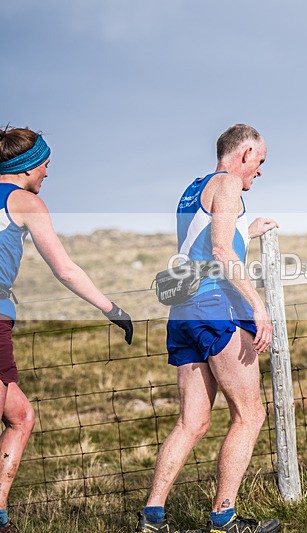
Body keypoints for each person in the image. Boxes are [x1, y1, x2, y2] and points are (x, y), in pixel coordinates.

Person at [137, 124, 281, 533]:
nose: (260, 172)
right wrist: (259, 308)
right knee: (250, 414)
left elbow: (204, 239)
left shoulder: (194, 187)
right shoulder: (229, 184)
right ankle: (224, 518)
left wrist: (247, 230)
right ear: (245, 153)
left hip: (183, 311)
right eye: (261, 162)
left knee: (192, 422)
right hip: (216, 305)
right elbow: (219, 250)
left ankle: (153, 516)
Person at [0, 127, 134, 532]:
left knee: (21, 416)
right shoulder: (24, 202)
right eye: (44, 165)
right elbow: (65, 269)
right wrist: (112, 309)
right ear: (26, 167)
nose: (46, 174)